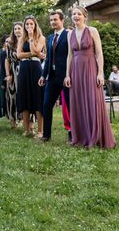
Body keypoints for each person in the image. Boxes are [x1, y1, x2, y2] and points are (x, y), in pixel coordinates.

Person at [64, 6, 116, 149]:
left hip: (91, 68)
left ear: (85, 16)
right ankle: (81, 137)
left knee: (93, 100)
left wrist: (100, 73)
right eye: (74, 14)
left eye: (79, 14)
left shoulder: (92, 31)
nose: (76, 16)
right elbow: (70, 55)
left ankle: (96, 137)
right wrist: (67, 75)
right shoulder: (70, 34)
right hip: (76, 70)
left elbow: (99, 53)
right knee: (79, 102)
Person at [39, 10, 70, 142]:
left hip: (65, 77)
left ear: (62, 20)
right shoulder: (50, 38)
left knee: (68, 107)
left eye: (55, 20)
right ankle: (46, 135)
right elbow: (48, 59)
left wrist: (69, 75)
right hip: (52, 77)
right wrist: (43, 75)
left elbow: (71, 57)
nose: (52, 22)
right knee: (46, 105)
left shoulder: (68, 35)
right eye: (51, 20)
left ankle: (72, 135)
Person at [16, 16, 45, 137]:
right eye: (27, 24)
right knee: (24, 96)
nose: (29, 26)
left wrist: (32, 38)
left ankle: (40, 131)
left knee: (37, 97)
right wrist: (31, 53)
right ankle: (27, 129)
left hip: (36, 68)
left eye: (31, 24)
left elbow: (37, 50)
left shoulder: (41, 37)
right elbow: (18, 55)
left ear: (35, 25)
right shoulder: (22, 38)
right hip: (24, 68)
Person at [4, 22, 22, 128]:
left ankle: (22, 119)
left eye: (19, 28)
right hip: (12, 71)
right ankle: (12, 120)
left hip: (24, 69)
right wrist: (8, 74)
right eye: (15, 29)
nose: (17, 31)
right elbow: (7, 60)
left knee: (22, 95)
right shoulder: (9, 44)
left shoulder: (26, 42)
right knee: (11, 96)